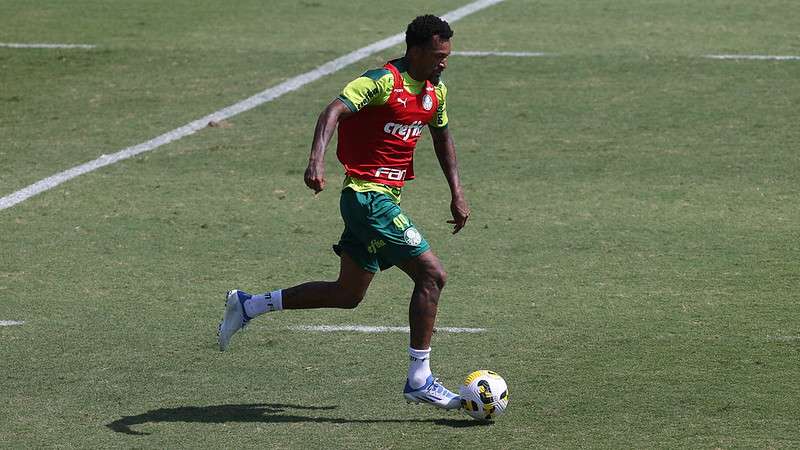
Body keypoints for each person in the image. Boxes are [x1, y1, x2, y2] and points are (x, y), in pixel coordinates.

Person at [218, 14, 470, 410]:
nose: (444, 63)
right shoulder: (382, 80)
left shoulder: (435, 93)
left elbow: (443, 138)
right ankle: (420, 377)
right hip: (367, 197)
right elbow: (332, 111)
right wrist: (316, 160)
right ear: (417, 51)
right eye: (438, 56)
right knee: (432, 275)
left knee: (347, 294)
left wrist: (457, 192)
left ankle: (248, 305)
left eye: (447, 56)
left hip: (387, 198)